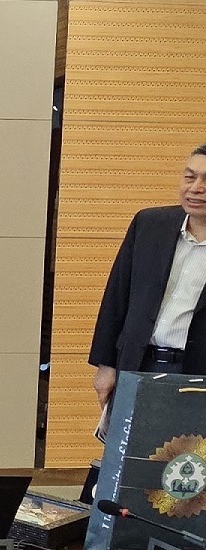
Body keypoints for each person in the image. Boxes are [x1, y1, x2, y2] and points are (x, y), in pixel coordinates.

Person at [91, 143, 206, 408]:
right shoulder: (149, 224)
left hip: (197, 374)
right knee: (130, 437)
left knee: (187, 438)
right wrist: (106, 365)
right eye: (189, 177)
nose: (196, 187)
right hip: (139, 365)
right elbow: (116, 296)